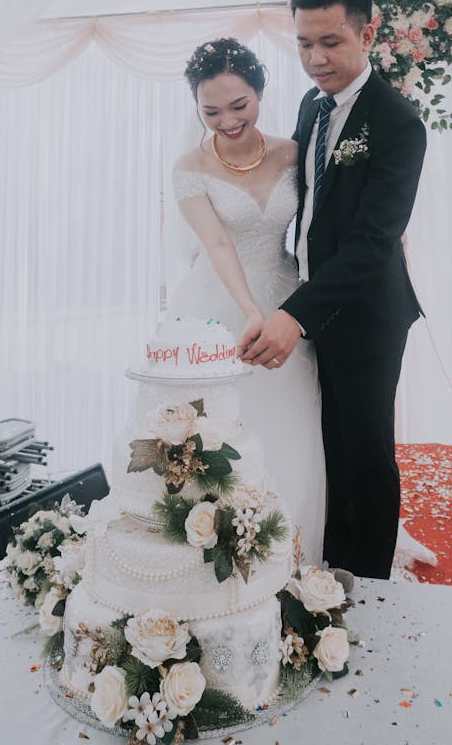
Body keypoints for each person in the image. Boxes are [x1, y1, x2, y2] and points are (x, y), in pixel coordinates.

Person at [239, 0, 427, 580]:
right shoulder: (310, 106)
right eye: (303, 44)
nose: (315, 59)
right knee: (327, 447)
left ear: (367, 33)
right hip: (312, 300)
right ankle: (329, 568)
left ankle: (369, 588)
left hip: (368, 311)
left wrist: (295, 314)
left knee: (364, 453)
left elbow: (374, 241)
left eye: (330, 42)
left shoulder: (399, 123)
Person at [168, 37, 326, 564]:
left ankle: (292, 546)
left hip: (287, 295)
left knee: (293, 417)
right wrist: (251, 310)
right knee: (220, 427)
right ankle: (216, 549)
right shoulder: (189, 168)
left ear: (260, 92)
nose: (228, 121)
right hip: (218, 302)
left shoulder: (292, 152)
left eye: (239, 106)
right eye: (211, 111)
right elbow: (215, 245)